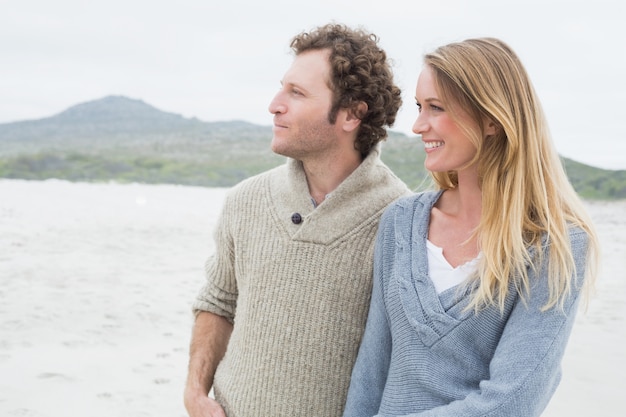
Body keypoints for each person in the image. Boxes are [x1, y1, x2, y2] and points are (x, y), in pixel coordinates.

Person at [343, 37, 600, 417]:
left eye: (436, 107)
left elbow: (512, 402)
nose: (417, 125)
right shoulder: (401, 221)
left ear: (492, 118)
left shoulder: (555, 246)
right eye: (419, 106)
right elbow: (372, 368)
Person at [183, 23, 409, 417]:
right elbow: (218, 302)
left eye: (297, 93)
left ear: (352, 115)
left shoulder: (400, 219)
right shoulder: (245, 200)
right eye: (281, 87)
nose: (274, 104)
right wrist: (195, 393)